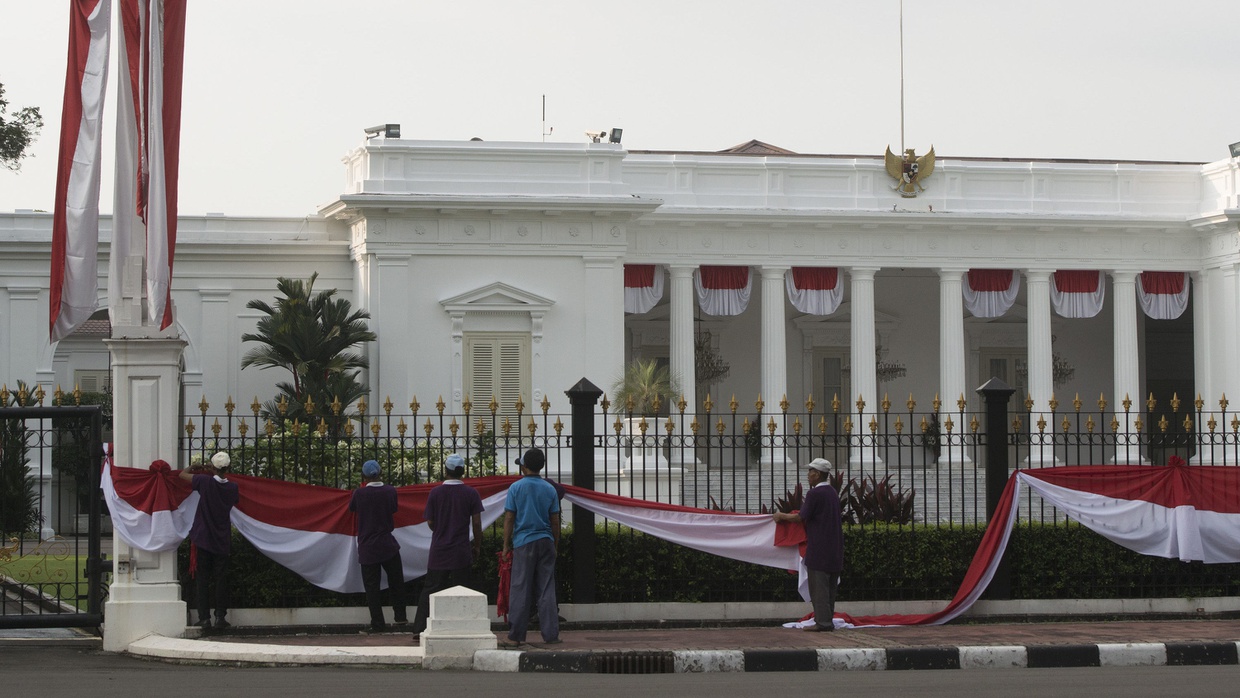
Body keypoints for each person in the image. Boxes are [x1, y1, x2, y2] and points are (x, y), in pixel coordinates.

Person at [410, 453, 484, 642]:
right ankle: (465, 627)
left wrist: (440, 530)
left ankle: (419, 629)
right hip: (461, 550)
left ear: (446, 471)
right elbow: (476, 523)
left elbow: (430, 521)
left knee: (431, 589)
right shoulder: (471, 493)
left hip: (440, 550)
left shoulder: (436, 492)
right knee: (463, 589)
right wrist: (477, 546)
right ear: (463, 471)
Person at [772, 457, 844, 632]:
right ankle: (827, 619)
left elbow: (800, 517)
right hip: (835, 547)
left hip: (819, 547)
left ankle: (823, 623)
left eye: (810, 472)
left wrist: (781, 516)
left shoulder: (815, 494)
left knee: (819, 588)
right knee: (830, 589)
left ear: (817, 474)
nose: (808, 475)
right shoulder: (832, 493)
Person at [500, 447, 561, 647]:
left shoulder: (516, 488)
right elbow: (555, 520)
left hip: (524, 543)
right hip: (546, 541)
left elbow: (509, 517)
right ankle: (551, 635)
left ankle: (516, 635)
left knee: (520, 588)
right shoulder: (549, 489)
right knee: (546, 589)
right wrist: (555, 543)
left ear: (524, 466)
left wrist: (506, 545)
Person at [179, 451, 240, 630]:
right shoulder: (233, 488)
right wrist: (212, 471)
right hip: (221, 539)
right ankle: (220, 617)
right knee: (221, 579)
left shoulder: (204, 482)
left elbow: (182, 475)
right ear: (228, 468)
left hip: (203, 537)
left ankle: (204, 617)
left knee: (202, 579)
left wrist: (196, 468)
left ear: (212, 467)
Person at [349, 459, 408, 632]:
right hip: (387, 544)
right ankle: (401, 617)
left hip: (368, 546)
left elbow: (352, 509)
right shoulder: (390, 491)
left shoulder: (359, 494)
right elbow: (393, 509)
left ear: (364, 476)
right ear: (380, 472)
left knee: (372, 587)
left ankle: (378, 624)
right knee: (396, 581)